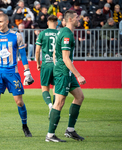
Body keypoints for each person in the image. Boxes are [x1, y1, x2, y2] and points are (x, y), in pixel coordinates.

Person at [0, 13, 34, 138]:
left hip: (12, 73)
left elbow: (23, 55)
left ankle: (25, 126)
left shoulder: (16, 36)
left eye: (0, 22)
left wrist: (27, 72)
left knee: (19, 102)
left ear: (6, 22)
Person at [45, 10, 86, 142]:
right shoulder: (67, 34)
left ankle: (70, 130)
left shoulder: (62, 32)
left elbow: (55, 53)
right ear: (70, 19)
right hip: (64, 72)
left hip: (65, 71)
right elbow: (66, 58)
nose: (78, 19)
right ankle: (50, 135)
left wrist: (57, 64)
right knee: (59, 103)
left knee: (79, 97)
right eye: (76, 17)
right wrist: (78, 75)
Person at [35, 15, 58, 116]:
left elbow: (37, 51)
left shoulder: (42, 34)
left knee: (45, 88)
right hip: (57, 65)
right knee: (56, 88)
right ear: (57, 23)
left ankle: (50, 105)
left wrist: (38, 63)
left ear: (47, 23)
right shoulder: (60, 33)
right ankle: (55, 109)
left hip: (46, 64)